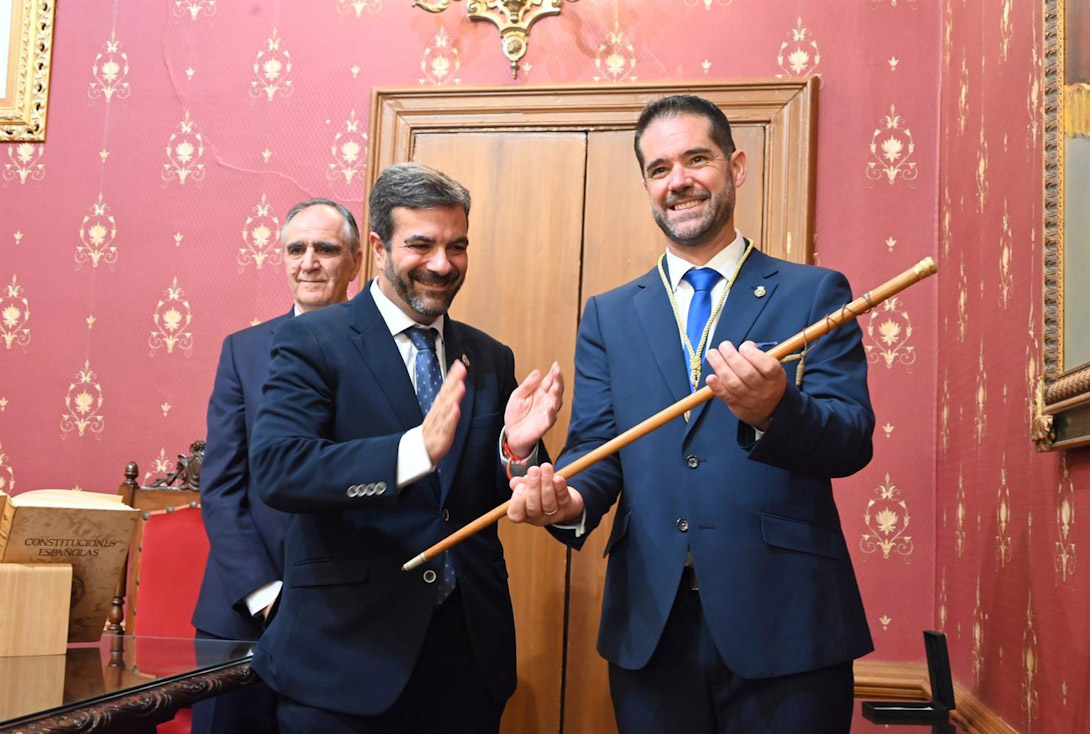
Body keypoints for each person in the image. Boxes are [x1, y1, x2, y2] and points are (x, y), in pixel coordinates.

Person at [508, 94, 875, 733]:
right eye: (658, 169)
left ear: (735, 166)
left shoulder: (815, 292)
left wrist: (776, 410)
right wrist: (566, 499)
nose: (678, 181)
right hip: (652, 630)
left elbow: (851, 440)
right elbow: (597, 454)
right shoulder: (610, 314)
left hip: (787, 624)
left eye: (696, 159)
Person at [248, 162, 563, 733]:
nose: (443, 264)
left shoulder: (489, 356)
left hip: (466, 662)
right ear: (377, 246)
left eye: (457, 246)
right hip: (344, 665)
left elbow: (478, 496)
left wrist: (516, 455)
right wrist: (412, 451)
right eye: (421, 245)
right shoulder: (311, 339)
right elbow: (279, 469)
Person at [191, 198, 363, 734]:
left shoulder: (385, 352)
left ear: (356, 261)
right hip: (242, 613)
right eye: (296, 249)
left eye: (326, 249)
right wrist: (267, 594)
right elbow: (220, 489)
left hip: (349, 620)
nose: (308, 261)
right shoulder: (242, 351)